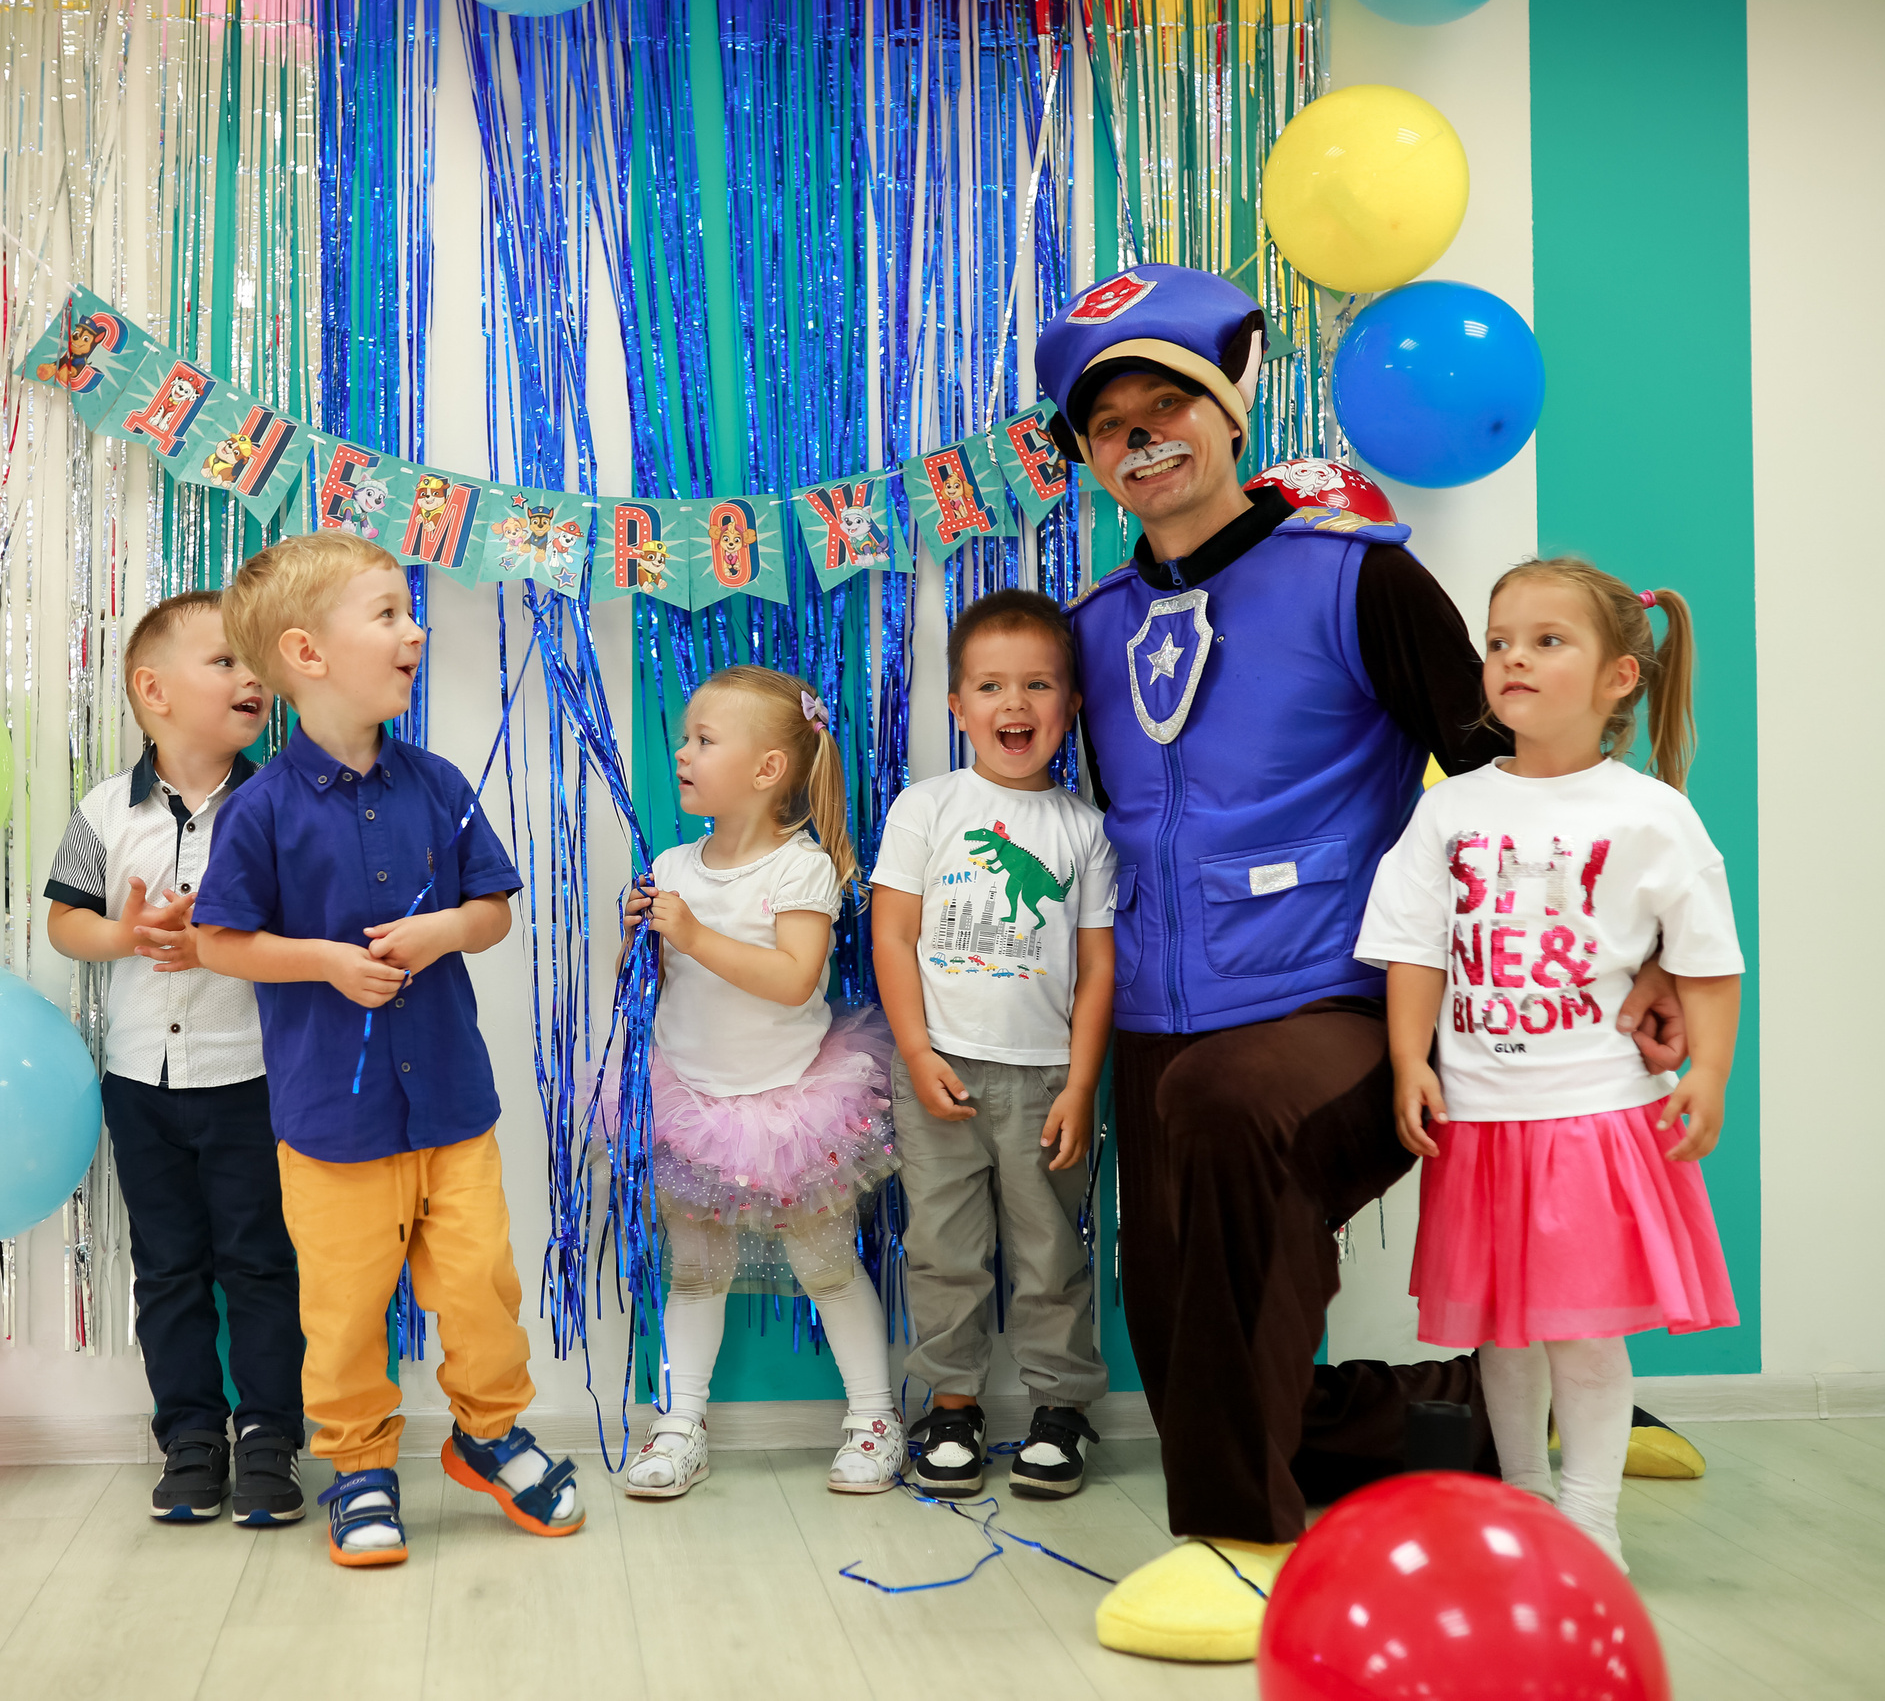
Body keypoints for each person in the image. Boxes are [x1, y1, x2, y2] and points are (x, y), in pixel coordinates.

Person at [1035, 262, 1706, 1662]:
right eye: (1110, 421)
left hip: (1343, 999)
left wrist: (1628, 957)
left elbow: (1511, 782)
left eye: (1171, 404)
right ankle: (1451, 1411)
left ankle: (1241, 1540)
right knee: (1183, 1326)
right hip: (1163, 1019)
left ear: (1229, 417)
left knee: (1232, 1138)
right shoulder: (1089, 629)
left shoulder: (1362, 577)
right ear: (1086, 456)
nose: (1143, 436)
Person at [193, 531, 582, 1567]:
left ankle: (488, 1434)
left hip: (452, 1106)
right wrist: (325, 959)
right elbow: (218, 940)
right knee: (346, 1314)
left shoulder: (439, 780)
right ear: (307, 655)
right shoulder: (262, 809)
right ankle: (359, 1465)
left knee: (483, 1291)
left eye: (409, 614)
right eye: (388, 614)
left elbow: (493, 907)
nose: (413, 631)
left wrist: (444, 930)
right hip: (333, 1125)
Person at [1357, 560, 1741, 1570]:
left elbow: (1707, 959)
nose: (1512, 658)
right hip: (1481, 1118)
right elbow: (1415, 945)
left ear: (1619, 677)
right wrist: (1410, 1060)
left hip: (1593, 1117)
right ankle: (1521, 1501)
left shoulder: (1649, 813)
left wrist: (1707, 1073)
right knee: (1501, 1334)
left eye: (1545, 641)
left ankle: (1590, 1520)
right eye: (1498, 642)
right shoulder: (1450, 809)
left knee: (1580, 1335)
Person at [42, 590, 305, 1526]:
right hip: (139, 1082)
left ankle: (271, 1434)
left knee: (261, 1265)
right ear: (153, 691)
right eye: (227, 662)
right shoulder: (104, 809)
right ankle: (191, 1436)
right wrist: (130, 933)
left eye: (256, 665)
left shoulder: (283, 801)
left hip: (252, 1080)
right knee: (168, 1268)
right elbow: (64, 922)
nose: (253, 680)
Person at [616, 665, 905, 1500]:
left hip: (791, 1106)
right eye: (685, 737)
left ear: (768, 770)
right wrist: (639, 936)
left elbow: (791, 978)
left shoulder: (801, 866)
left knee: (826, 1263)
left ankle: (874, 1417)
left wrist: (695, 933)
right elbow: (655, 983)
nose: (682, 750)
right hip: (692, 1102)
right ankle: (682, 1421)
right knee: (695, 1269)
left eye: (704, 739)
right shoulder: (674, 862)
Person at [869, 589, 1118, 1499]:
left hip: (1045, 1077)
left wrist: (1081, 1085)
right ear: (958, 704)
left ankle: (1061, 1409)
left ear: (1072, 706)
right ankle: (954, 1404)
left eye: (1038, 685)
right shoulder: (925, 808)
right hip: (938, 1069)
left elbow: (1097, 969)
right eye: (991, 685)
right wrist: (916, 1047)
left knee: (1052, 1248)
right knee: (942, 1246)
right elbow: (892, 935)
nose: (1015, 705)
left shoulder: (1086, 832)